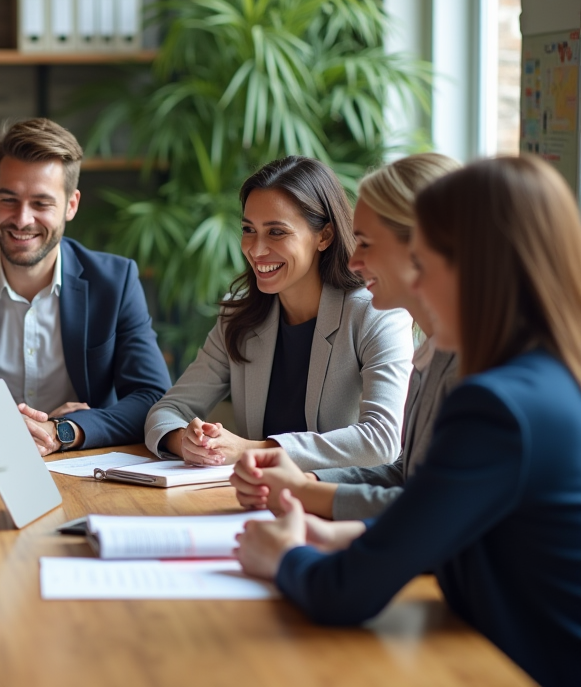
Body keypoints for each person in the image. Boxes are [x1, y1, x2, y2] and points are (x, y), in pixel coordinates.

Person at [235, 156, 581, 687]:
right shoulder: (542, 376)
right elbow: (447, 516)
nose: (416, 287)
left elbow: (345, 593)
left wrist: (285, 557)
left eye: (422, 263)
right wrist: (345, 532)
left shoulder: (497, 406)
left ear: (472, 266)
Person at [0, 118, 171, 454]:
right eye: (9, 199)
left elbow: (153, 397)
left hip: (83, 463)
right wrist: (3, 426)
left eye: (41, 203)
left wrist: (65, 430)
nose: (22, 219)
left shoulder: (115, 282)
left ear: (71, 205)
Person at [231, 154, 461, 519]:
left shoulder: (478, 370)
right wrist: (304, 488)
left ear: (422, 250)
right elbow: (408, 478)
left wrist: (304, 503)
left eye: (366, 243)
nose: (354, 260)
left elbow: (437, 510)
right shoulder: (436, 355)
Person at [145, 156, 413, 470]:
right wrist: (185, 441)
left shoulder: (375, 311)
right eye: (249, 229)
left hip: (339, 498)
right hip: (254, 494)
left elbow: (381, 440)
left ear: (324, 236)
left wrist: (253, 450)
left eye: (276, 232)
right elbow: (167, 410)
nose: (256, 249)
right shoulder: (239, 315)